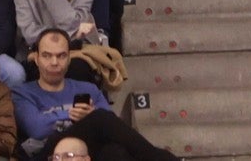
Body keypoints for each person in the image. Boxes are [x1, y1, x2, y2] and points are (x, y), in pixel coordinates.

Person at [12, 28, 178, 160]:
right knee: (98, 118)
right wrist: (80, 115)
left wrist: (89, 116)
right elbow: (37, 128)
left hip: (87, 152)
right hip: (48, 153)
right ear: (36, 59)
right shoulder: (22, 93)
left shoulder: (88, 89)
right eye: (47, 56)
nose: (54, 62)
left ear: (69, 59)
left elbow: (111, 126)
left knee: (115, 152)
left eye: (61, 56)